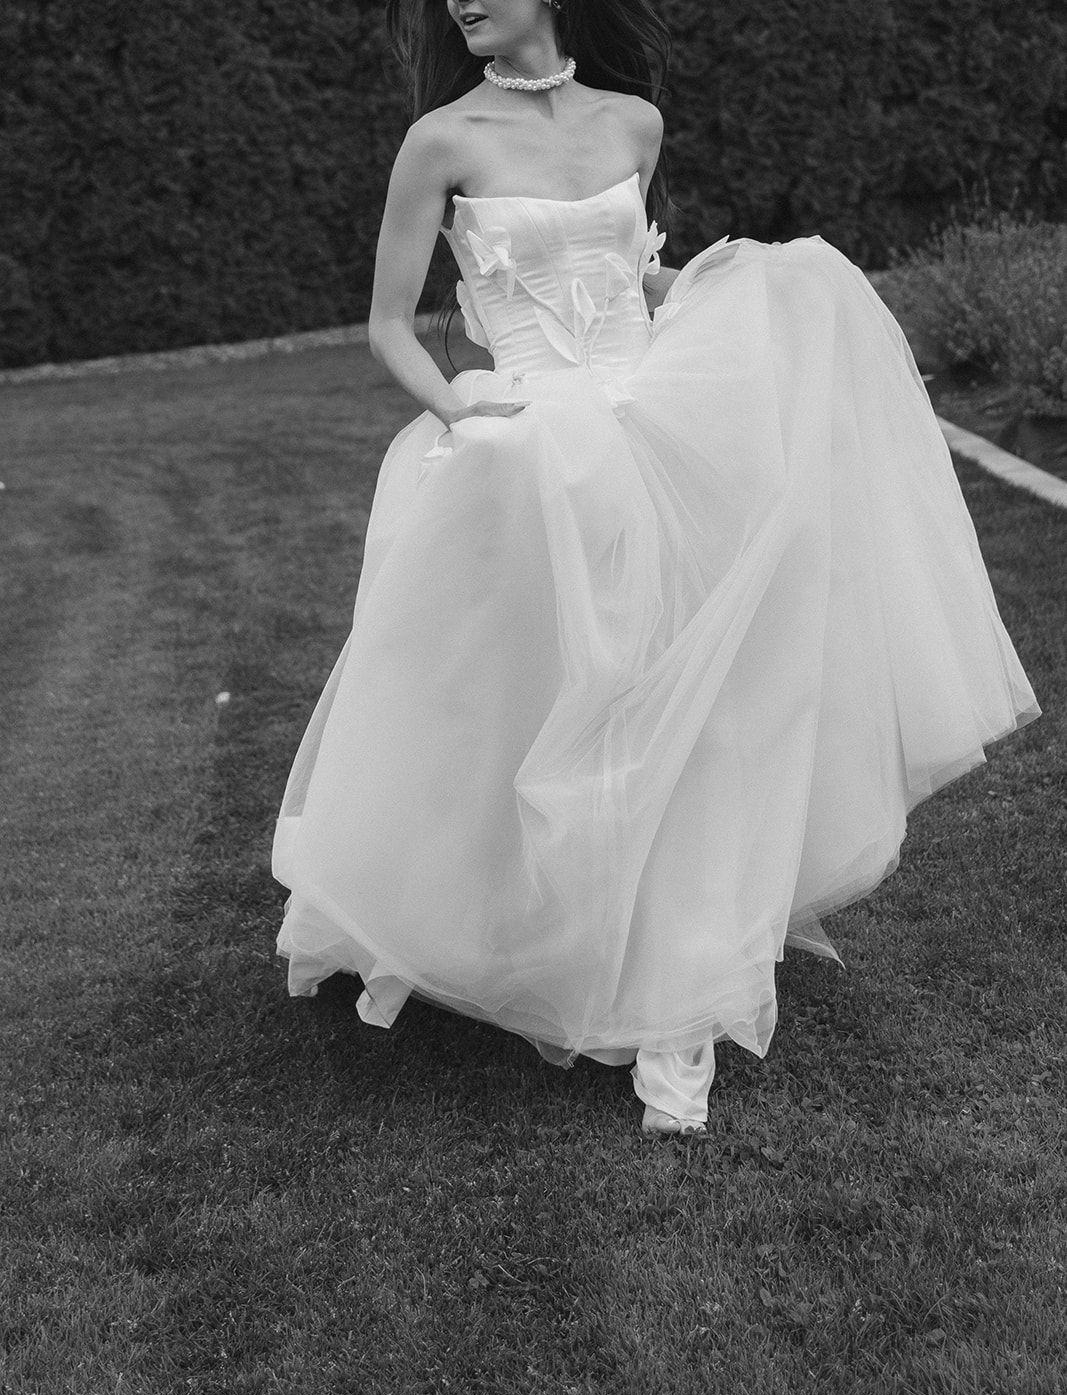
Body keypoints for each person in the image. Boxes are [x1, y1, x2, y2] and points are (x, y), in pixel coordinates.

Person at [272, 0, 1039, 1136]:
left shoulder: (634, 123)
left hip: (656, 433)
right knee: (515, 707)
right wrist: (463, 413)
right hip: (525, 448)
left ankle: (674, 988)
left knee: (693, 705)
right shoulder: (440, 139)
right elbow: (388, 325)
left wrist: (766, 293)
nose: (459, 0)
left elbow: (630, 282)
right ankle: (503, 927)